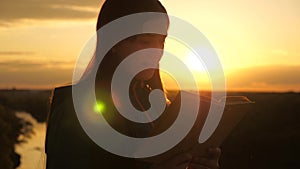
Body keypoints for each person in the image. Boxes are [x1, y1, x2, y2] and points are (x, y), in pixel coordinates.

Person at [45, 0, 221, 168]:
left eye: (162, 41)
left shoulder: (156, 109)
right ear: (114, 41)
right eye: (146, 41)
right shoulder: (75, 111)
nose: (157, 51)